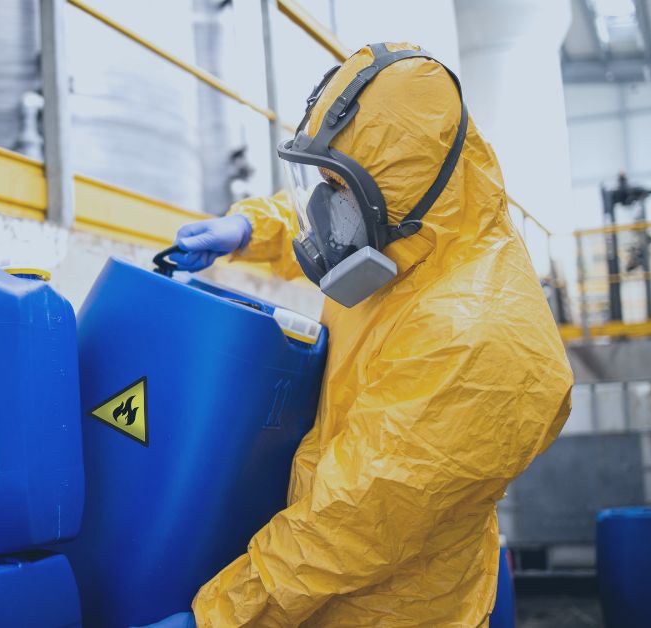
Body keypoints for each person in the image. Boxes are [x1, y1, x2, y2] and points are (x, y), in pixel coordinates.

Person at [156, 42, 573, 626]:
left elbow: (351, 523)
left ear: (399, 192)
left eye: (339, 185)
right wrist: (249, 228)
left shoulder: (473, 336)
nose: (326, 205)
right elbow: (340, 212)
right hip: (316, 593)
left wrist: (220, 617)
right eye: (324, 179)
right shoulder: (403, 243)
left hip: (397, 610)